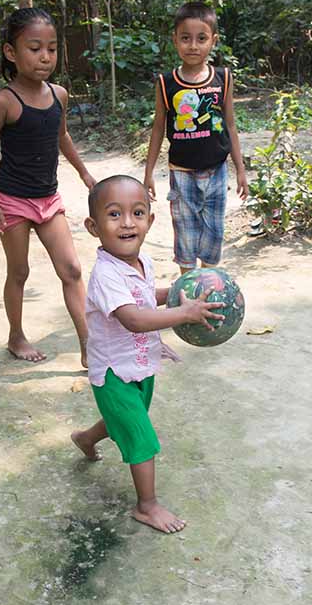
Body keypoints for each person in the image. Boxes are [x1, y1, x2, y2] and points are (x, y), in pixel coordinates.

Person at [71, 175, 224, 533]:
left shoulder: (142, 263)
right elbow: (134, 319)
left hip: (141, 364)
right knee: (141, 438)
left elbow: (144, 297)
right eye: (114, 214)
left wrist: (176, 292)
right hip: (113, 373)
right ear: (93, 227)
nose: (127, 222)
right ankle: (147, 505)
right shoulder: (106, 275)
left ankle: (85, 438)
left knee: (124, 420)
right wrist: (184, 314)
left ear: (150, 221)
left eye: (137, 212)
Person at [0, 8, 96, 366]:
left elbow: (62, 137)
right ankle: (16, 335)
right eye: (34, 48)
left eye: (52, 49)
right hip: (11, 200)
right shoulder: (5, 101)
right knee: (20, 271)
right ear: (11, 52)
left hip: (48, 199)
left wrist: (84, 174)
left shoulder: (59, 94)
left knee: (72, 269)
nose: (45, 57)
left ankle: (89, 343)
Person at [143, 2, 248, 274]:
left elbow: (231, 125)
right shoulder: (166, 83)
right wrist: (149, 173)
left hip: (216, 171)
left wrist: (240, 170)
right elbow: (157, 129)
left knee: (214, 233)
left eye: (201, 39)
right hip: (182, 173)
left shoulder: (223, 78)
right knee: (186, 234)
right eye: (185, 38)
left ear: (213, 41)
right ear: (175, 40)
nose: (193, 46)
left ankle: (209, 289)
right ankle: (188, 290)